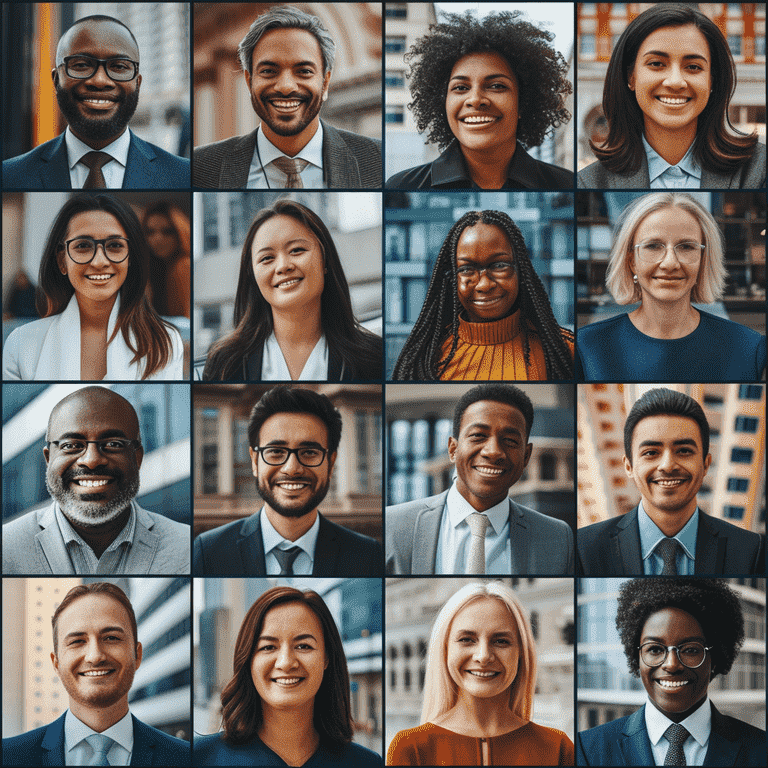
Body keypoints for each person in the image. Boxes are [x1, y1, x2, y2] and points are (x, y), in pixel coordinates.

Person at [193, 386, 383, 576]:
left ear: (331, 463)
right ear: (254, 461)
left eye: (309, 453)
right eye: (276, 452)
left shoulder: (368, 555)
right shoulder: (208, 551)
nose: (292, 469)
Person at [386, 384, 573, 575]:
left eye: (510, 440)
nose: (493, 451)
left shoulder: (557, 537)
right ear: (453, 449)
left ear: (526, 456)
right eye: (478, 436)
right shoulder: (392, 525)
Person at [576, 193, 766, 381]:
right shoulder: (587, 346)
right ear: (631, 261)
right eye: (653, 246)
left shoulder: (748, 348)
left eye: (686, 247)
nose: (670, 263)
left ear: (703, 259)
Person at [576, 578, 766, 766]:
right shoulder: (587, 749)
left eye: (690, 650)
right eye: (655, 649)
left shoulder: (761, 750)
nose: (672, 664)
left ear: (714, 658)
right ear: (637, 657)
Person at [2, 386, 190, 575]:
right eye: (72, 445)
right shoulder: (6, 546)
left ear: (137, 458)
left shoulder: (187, 546)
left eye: (113, 444)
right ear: (48, 458)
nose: (91, 461)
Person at [578, 388, 765, 576]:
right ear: (629, 467)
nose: (667, 466)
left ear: (706, 464)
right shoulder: (585, 549)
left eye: (684, 451)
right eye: (651, 452)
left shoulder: (749, 550)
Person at [2, 582, 190, 766]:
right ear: (56, 663)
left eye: (111, 638)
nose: (95, 656)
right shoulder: (8, 757)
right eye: (77, 641)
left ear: (137, 654)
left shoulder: (185, 758)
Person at [578, 4, 765, 189]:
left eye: (693, 67)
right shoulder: (588, 182)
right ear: (631, 76)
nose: (675, 82)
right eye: (657, 63)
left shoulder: (760, 170)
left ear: (712, 81)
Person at [193, 6, 381, 189]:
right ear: (249, 81)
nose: (285, 86)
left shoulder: (377, 159)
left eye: (304, 71)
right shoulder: (201, 167)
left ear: (325, 83)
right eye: (268, 71)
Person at [387, 582, 574, 766]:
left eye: (501, 641)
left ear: (521, 653)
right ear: (445, 649)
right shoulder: (410, 749)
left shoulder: (557, 749)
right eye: (467, 639)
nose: (483, 656)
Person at [2, 193, 185, 380]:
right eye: (83, 246)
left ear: (130, 258)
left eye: (114, 245)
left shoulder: (167, 341)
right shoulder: (20, 344)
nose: (99, 261)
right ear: (62, 262)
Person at [193, 586, 382, 766]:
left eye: (303, 646)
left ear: (326, 658)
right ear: (249, 661)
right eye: (268, 647)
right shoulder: (200, 758)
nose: (285, 662)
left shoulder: (367, 763)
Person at [385, 10, 573, 190]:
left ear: (523, 102)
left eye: (497, 86)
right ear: (443, 102)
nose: (475, 100)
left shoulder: (567, 183)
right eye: (460, 88)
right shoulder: (402, 185)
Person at [200, 199, 381, 381]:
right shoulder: (225, 362)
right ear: (252, 275)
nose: (283, 266)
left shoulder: (373, 356)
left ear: (324, 259)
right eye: (267, 258)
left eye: (296, 250)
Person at [2, 15, 189, 190]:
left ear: (137, 83)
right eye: (81, 65)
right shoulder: (9, 176)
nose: (100, 80)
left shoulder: (184, 176)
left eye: (119, 66)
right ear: (56, 79)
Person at [392, 210, 573, 381]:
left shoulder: (563, 350)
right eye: (467, 269)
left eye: (499, 265)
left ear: (521, 271)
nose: (484, 284)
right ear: (453, 278)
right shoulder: (426, 358)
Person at [141, 201, 191, 318]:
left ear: (180, 233)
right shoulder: (154, 267)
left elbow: (185, 320)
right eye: (150, 232)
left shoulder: (184, 265)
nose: (157, 239)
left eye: (167, 231)